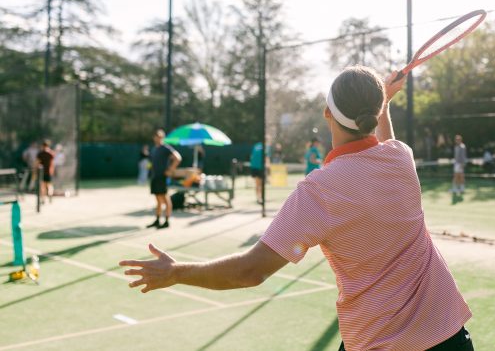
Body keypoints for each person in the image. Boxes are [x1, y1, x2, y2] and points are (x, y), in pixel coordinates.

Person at [120, 66, 474, 351]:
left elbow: (250, 271)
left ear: (327, 115)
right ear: (375, 112)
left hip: (379, 341)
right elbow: (383, 142)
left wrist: (177, 272)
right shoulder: (401, 158)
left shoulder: (320, 190)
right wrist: (385, 104)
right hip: (449, 335)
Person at [147, 130, 182, 229]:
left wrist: (170, 170)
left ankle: (166, 221)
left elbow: (178, 158)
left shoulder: (165, 148)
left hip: (162, 177)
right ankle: (157, 220)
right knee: (158, 199)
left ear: (163, 137)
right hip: (155, 177)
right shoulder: (154, 149)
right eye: (156, 136)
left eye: (160, 136)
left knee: (165, 199)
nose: (158, 138)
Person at [249, 138, 269, 204]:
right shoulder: (265, 147)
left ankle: (258, 198)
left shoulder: (256, 145)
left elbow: (251, 156)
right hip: (260, 167)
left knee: (257, 184)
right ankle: (260, 198)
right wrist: (268, 167)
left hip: (254, 167)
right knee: (260, 184)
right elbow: (266, 158)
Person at [35, 140, 55, 204]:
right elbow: (52, 163)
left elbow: (37, 163)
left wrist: (35, 171)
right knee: (48, 185)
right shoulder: (51, 153)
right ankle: (49, 196)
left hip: (43, 172)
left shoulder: (40, 154)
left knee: (43, 186)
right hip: (48, 172)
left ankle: (44, 199)